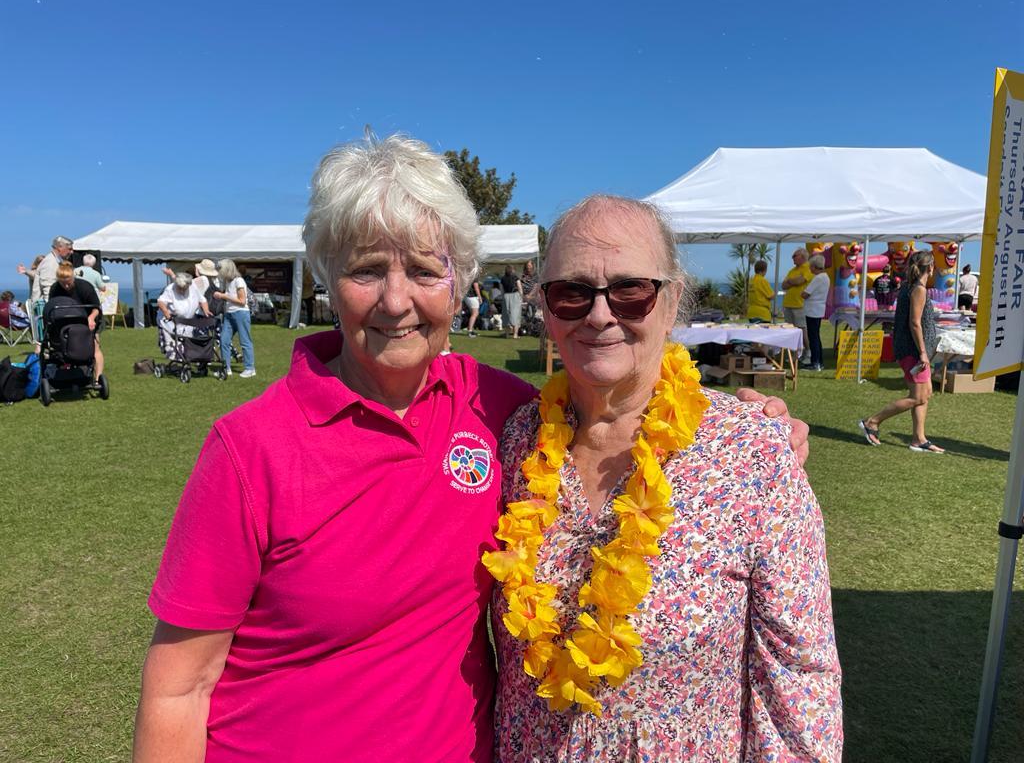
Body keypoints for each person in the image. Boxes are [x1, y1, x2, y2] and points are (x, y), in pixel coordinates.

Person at [133, 136, 809, 763]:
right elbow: (177, 690)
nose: (396, 301)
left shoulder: (500, 413)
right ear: (327, 278)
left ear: (459, 281)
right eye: (367, 270)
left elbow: (620, 399)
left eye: (425, 270)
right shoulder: (251, 449)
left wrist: (757, 428)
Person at [487, 195, 841, 761]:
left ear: (672, 300)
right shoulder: (512, 442)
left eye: (631, 290)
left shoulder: (751, 453)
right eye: (572, 292)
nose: (600, 315)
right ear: (547, 310)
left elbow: (800, 677)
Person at [859, 250, 944, 453]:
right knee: (918, 397)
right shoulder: (919, 289)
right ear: (930, 267)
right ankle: (872, 422)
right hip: (913, 351)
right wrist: (923, 353)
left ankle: (919, 438)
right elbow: (914, 323)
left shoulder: (909, 286)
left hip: (912, 348)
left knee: (926, 393)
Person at [48, 261, 105, 380]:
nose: (66, 286)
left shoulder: (85, 287)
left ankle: (98, 378)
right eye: (63, 284)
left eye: (68, 283)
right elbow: (52, 307)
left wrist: (91, 318)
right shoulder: (55, 289)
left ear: (73, 277)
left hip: (89, 319)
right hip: (65, 321)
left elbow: (96, 308)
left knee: (95, 348)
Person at [211, 259, 255, 378]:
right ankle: (226, 368)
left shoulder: (238, 281)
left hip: (241, 313)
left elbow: (242, 301)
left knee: (245, 341)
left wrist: (224, 296)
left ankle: (250, 368)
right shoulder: (227, 282)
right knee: (224, 341)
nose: (220, 273)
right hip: (229, 314)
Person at [157, 272, 212, 358]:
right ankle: (176, 365)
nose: (182, 290)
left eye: (184, 288)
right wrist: (166, 313)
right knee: (172, 349)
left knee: (187, 347)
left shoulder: (193, 287)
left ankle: (185, 362)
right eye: (180, 288)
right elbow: (161, 302)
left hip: (187, 323)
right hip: (170, 323)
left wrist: (206, 311)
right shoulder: (170, 289)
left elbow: (202, 300)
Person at [781, 247, 811, 362]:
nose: (792, 257)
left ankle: (807, 352)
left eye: (795, 255)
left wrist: (790, 281)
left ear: (802, 257)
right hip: (788, 304)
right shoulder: (792, 270)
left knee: (802, 330)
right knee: (790, 331)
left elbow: (800, 281)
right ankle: (794, 354)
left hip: (800, 305)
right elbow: (783, 285)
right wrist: (792, 281)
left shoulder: (807, 268)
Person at [801, 254, 830, 371]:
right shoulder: (825, 277)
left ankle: (815, 362)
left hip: (813, 310)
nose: (810, 268)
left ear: (814, 266)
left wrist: (803, 293)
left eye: (811, 266)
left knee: (813, 337)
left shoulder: (818, 278)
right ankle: (819, 361)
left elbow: (805, 293)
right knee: (816, 336)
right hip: (818, 309)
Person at [501, 265, 524, 338]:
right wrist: (521, 297)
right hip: (515, 296)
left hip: (506, 296)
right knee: (516, 315)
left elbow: (501, 290)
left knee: (506, 315)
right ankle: (515, 334)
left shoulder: (502, 278)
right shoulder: (516, 278)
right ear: (512, 270)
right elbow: (520, 288)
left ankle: (507, 334)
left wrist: (503, 297)